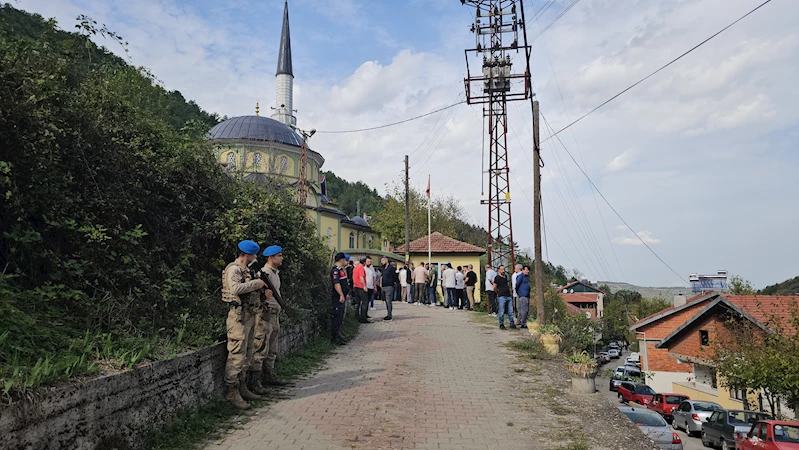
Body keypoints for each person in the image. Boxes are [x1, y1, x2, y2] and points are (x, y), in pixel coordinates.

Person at [222, 240, 267, 409]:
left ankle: (242, 386)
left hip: (249, 315)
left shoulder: (246, 270)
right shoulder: (234, 269)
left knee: (248, 353)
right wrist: (256, 284)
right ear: (247, 254)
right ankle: (232, 391)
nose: (255, 257)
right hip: (238, 319)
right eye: (254, 254)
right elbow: (235, 289)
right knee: (237, 353)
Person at [253, 245, 288, 387]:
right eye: (279, 255)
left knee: (272, 348)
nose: (282, 258)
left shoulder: (274, 273)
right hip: (265, 314)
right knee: (261, 347)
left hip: (274, 314)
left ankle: (269, 374)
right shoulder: (264, 274)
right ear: (271, 257)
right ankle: (255, 381)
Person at [330, 253, 349, 345]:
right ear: (341, 260)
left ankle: (339, 335)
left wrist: (346, 294)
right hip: (337, 298)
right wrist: (341, 295)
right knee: (337, 317)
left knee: (340, 317)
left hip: (342, 297)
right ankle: (335, 338)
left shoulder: (341, 270)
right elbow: (336, 284)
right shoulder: (335, 271)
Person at [493, 265, 515, 329]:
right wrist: (498, 292)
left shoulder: (505, 276)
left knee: (510, 311)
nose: (503, 271)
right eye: (502, 269)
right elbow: (494, 287)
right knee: (501, 311)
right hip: (501, 296)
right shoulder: (497, 278)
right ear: (499, 270)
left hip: (508, 295)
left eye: (504, 269)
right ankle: (501, 324)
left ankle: (512, 323)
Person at [353, 257, 369, 323]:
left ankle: (357, 317)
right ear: (364, 262)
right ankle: (363, 318)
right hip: (360, 287)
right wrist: (364, 286)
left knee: (357, 303)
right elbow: (361, 277)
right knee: (365, 302)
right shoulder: (361, 268)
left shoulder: (356, 267)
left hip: (355, 286)